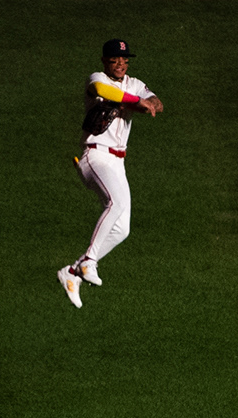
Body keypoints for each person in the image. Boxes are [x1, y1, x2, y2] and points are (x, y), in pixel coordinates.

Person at [58, 39, 163, 309]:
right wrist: (136, 102)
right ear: (105, 60)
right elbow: (102, 91)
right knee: (115, 203)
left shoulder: (134, 83)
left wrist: (145, 102)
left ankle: (72, 272)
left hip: (118, 163)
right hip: (95, 156)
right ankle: (89, 262)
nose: (120, 63)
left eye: (124, 59)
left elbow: (156, 103)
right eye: (115, 59)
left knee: (122, 229)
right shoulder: (97, 78)